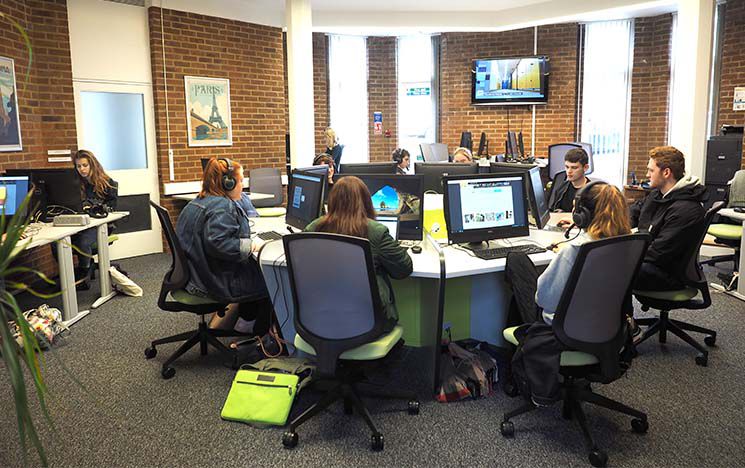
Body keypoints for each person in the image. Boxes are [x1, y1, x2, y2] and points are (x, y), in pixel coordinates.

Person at [176, 157, 274, 333]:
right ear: (228, 183)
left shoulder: (197, 202)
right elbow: (220, 244)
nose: (243, 185)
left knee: (258, 270)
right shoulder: (222, 207)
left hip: (194, 277)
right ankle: (258, 336)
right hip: (213, 283)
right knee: (275, 280)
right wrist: (251, 245)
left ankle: (245, 323)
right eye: (241, 180)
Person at [304, 176, 413, 332]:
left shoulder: (314, 228)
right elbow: (404, 269)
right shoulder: (376, 231)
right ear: (366, 202)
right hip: (371, 322)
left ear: (332, 201)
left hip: (320, 318)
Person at [630, 146, 707, 291]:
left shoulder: (686, 210)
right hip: (652, 263)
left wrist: (623, 252)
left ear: (666, 172)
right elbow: (634, 212)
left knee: (613, 267)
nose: (647, 174)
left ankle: (620, 314)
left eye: (651, 170)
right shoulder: (657, 195)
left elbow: (658, 254)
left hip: (668, 275)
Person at [70, 150, 119, 287]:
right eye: (78, 166)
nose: (82, 169)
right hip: (81, 223)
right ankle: (69, 273)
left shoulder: (108, 183)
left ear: (93, 165)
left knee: (83, 241)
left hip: (100, 225)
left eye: (85, 165)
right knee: (57, 243)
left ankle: (83, 273)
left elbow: (112, 208)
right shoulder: (75, 184)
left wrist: (95, 208)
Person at [549, 147, 591, 213]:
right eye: (567, 167)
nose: (569, 171)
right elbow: (553, 211)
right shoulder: (561, 189)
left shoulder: (593, 193)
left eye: (574, 168)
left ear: (585, 168)